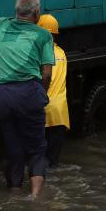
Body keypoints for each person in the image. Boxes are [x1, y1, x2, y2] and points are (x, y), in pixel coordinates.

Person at [0, 0, 53, 198]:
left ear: (17, 12)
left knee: (13, 148)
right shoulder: (43, 35)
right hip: (29, 91)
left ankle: (14, 193)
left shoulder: (2, 26)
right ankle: (35, 197)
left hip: (4, 95)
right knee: (36, 148)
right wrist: (41, 94)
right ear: (36, 13)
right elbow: (46, 73)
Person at [37, 14, 69, 168]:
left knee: (36, 161)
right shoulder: (62, 53)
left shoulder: (36, 53)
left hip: (41, 110)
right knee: (52, 163)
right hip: (59, 114)